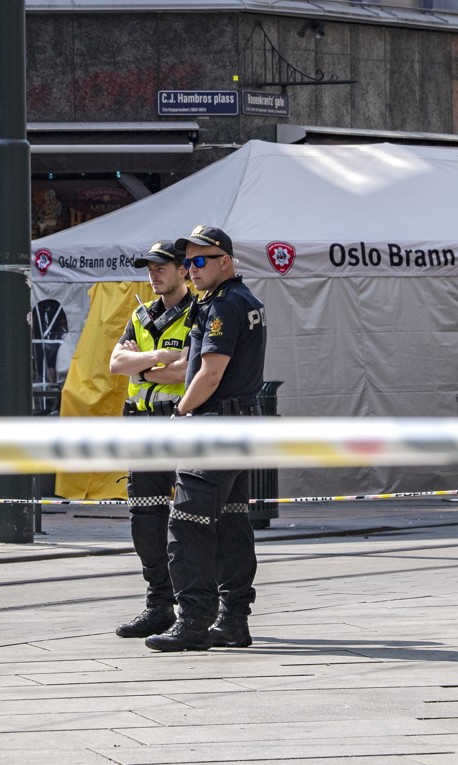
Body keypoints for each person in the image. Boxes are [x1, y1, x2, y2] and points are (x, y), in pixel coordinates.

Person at [147, 225, 268, 652]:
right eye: (188, 262)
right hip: (240, 424)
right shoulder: (242, 300)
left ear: (225, 261)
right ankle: (234, 619)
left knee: (187, 526)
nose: (191, 270)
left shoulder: (222, 306)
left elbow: (210, 372)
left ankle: (194, 621)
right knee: (232, 523)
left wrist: (181, 412)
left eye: (200, 261)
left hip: (214, 427)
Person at [107, 239, 195, 639]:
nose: (154, 273)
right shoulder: (141, 316)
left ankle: (194, 605)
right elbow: (115, 363)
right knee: (145, 518)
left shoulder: (200, 312)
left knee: (190, 520)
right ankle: (158, 603)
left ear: (182, 269)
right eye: (149, 267)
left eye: (162, 267)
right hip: (140, 426)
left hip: (179, 423)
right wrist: (159, 358)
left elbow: (186, 372)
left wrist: (140, 365)